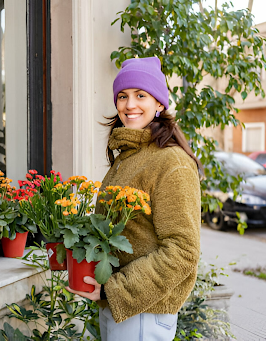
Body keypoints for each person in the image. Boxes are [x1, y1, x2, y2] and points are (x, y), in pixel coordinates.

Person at [65, 57, 203, 340]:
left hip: (143, 312)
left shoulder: (170, 161)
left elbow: (183, 251)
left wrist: (114, 290)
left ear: (159, 104)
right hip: (120, 306)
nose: (130, 105)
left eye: (141, 95)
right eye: (123, 96)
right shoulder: (130, 156)